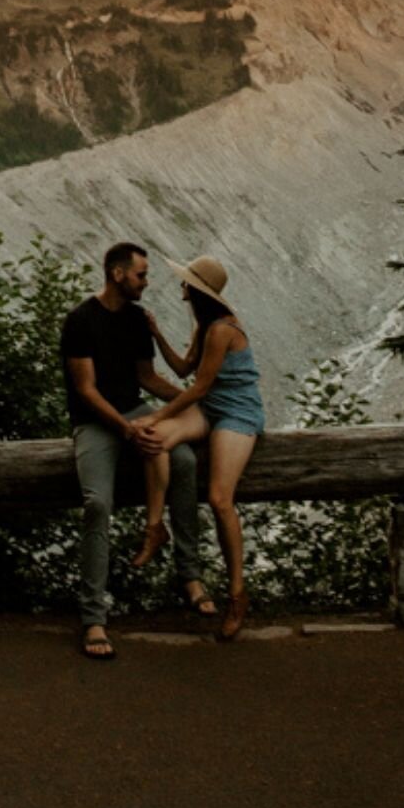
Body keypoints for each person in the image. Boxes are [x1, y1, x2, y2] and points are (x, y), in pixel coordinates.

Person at [61, 241, 214, 661]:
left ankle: (190, 577)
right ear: (118, 274)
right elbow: (86, 391)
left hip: (134, 412)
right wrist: (128, 429)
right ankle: (93, 616)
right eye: (141, 275)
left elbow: (147, 377)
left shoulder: (134, 320)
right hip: (96, 423)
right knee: (96, 503)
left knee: (183, 462)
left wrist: (190, 400)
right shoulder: (80, 321)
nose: (146, 282)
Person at [131, 254, 267, 641]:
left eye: (186, 282)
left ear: (198, 289)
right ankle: (155, 529)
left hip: (236, 412)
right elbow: (181, 370)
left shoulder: (223, 329)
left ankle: (237, 594)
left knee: (221, 498)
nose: (181, 288)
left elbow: (200, 386)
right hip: (210, 408)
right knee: (153, 441)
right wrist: (157, 334)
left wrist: (158, 415)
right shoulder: (205, 325)